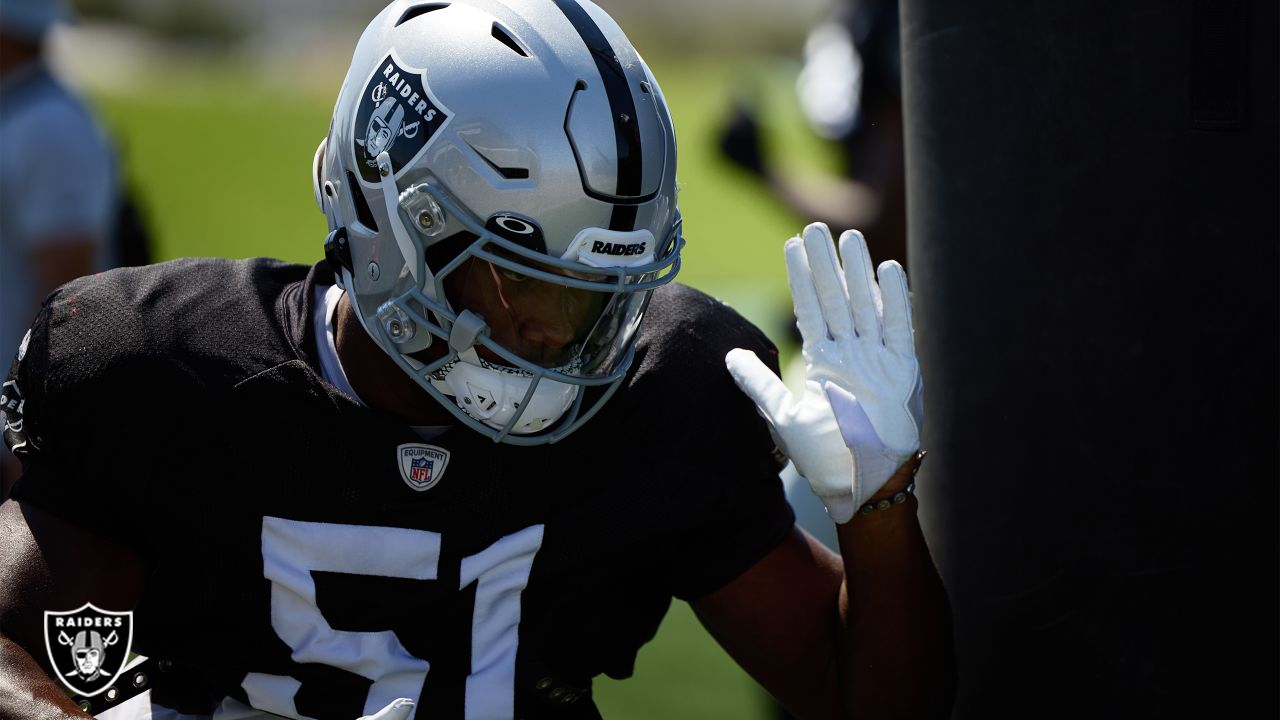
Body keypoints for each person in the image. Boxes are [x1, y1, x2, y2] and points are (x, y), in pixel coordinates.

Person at [0, 1, 954, 719]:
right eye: (528, 289)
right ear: (388, 221)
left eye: (603, 298)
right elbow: (22, 647)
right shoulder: (161, 369)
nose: (562, 340)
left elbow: (866, 702)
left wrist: (877, 507)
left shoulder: (666, 395)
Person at [0, 0, 123, 496]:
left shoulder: (49, 128)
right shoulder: (20, 113)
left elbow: (64, 309)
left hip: (10, 453)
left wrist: (24, 448)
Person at [719, 0, 906, 270]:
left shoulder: (891, 27)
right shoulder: (859, 19)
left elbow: (884, 222)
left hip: (930, 291)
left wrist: (766, 170)